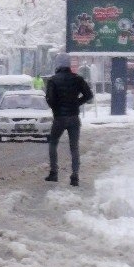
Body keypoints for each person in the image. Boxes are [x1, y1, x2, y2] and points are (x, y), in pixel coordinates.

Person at [44, 53, 93, 187]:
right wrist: (77, 102)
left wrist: (56, 108)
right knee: (74, 147)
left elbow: (50, 99)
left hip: (59, 118)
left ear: (58, 65)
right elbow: (89, 95)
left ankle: (54, 172)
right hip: (74, 118)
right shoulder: (77, 79)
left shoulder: (53, 80)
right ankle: (75, 175)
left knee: (53, 143)